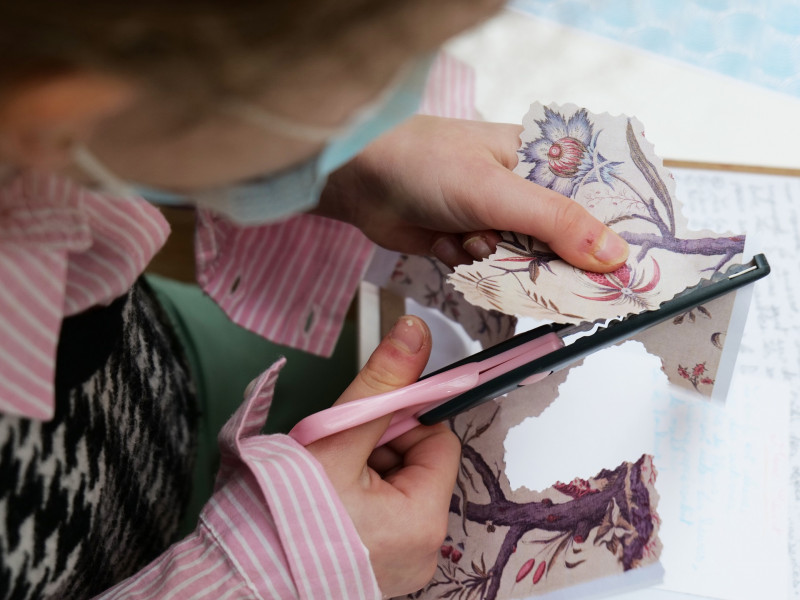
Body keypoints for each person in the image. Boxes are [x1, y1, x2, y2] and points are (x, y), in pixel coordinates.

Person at [0, 1, 629, 598]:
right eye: (372, 85)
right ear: (66, 109)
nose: (397, 100)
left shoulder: (43, 98)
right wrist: (274, 572)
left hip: (154, 380)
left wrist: (348, 165)